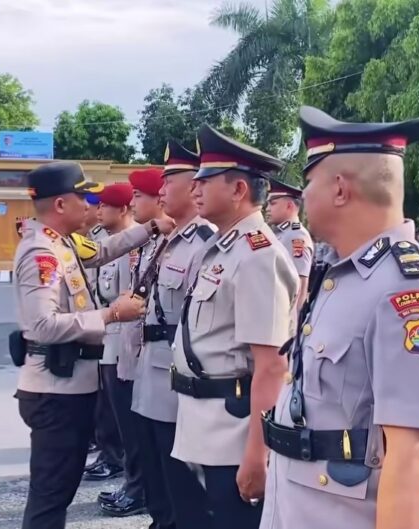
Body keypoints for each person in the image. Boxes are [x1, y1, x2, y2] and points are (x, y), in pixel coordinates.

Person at [261, 106, 419, 529]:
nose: (303, 196)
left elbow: (411, 455)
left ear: (339, 189)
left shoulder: (405, 288)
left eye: (308, 182)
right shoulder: (343, 275)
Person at [12, 161, 174, 529]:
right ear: (60, 204)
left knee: (59, 490)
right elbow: (43, 325)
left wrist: (151, 228)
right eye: (82, 198)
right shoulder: (41, 252)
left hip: (70, 385)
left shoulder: (63, 241)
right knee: (50, 496)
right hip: (56, 391)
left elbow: (101, 252)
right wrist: (112, 314)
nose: (89, 206)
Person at [170, 125, 297, 528]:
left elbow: (271, 365)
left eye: (205, 180)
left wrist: (258, 453)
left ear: (239, 189)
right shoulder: (223, 247)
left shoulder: (258, 255)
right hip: (201, 424)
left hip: (233, 433)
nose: (195, 188)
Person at [131, 140, 216, 529]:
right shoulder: (166, 238)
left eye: (169, 181)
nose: (161, 190)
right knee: (156, 481)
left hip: (175, 384)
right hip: (148, 375)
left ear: (193, 185)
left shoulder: (205, 243)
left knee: (183, 488)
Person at [97, 167, 169, 516]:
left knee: (141, 432)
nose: (134, 201)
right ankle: (136, 485)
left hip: (146, 349)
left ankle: (138, 488)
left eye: (139, 195)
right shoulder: (144, 240)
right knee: (131, 427)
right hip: (125, 342)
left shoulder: (162, 241)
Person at [83, 182, 147, 516]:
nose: (98, 211)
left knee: (130, 424)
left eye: (105, 206)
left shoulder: (132, 246)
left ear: (121, 210)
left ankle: (137, 487)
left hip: (125, 343)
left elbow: (132, 298)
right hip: (108, 339)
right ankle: (130, 482)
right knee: (115, 416)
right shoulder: (106, 243)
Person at [265, 179, 314, 317]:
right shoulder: (278, 234)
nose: (267, 208)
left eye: (272, 203)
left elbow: (300, 286)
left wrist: (290, 323)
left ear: (289, 206)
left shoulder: (296, 237)